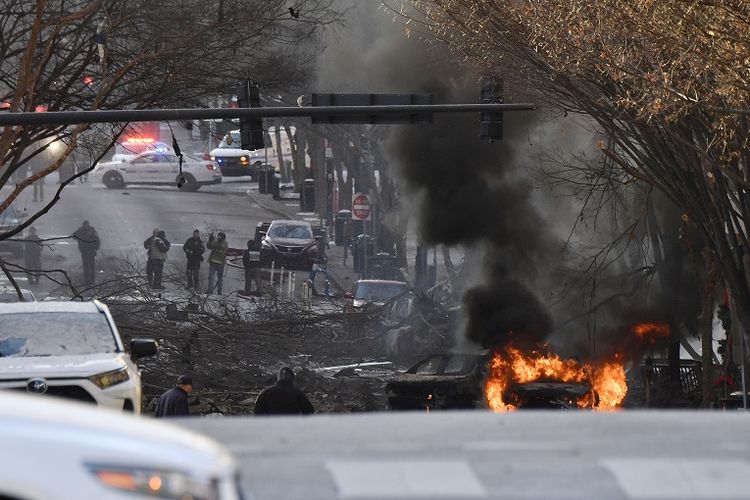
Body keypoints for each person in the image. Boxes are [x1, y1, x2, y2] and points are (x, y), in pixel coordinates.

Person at [72, 220, 100, 285]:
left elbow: (97, 240)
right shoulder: (81, 231)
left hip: (91, 251)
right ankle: (87, 281)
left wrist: (96, 248)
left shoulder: (92, 231)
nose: (86, 226)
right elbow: (73, 236)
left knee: (91, 266)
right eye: (85, 225)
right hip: (84, 251)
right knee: (86, 267)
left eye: (86, 225)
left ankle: (92, 281)